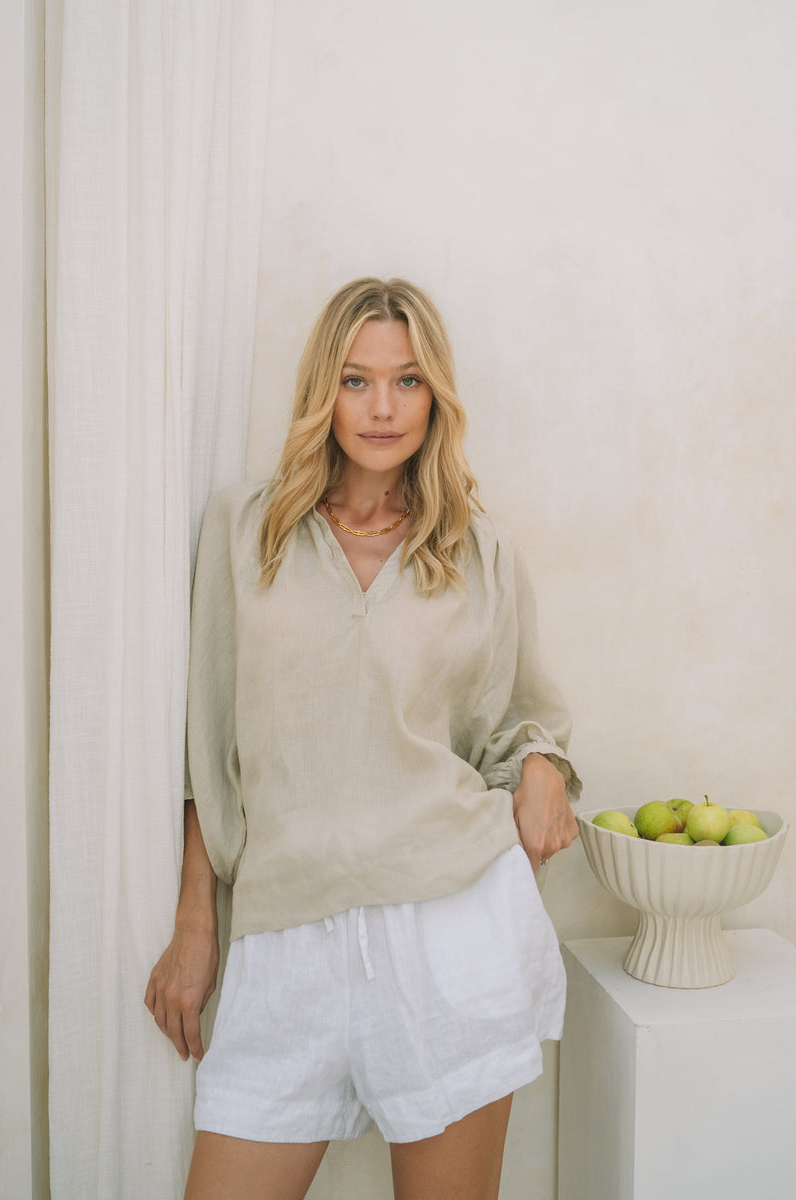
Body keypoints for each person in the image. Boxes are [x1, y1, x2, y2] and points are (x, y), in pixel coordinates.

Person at [145, 277, 581, 1200]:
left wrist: (544, 764)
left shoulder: (479, 553)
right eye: (356, 380)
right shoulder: (244, 530)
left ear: (436, 396)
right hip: (286, 933)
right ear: (324, 391)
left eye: (407, 380)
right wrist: (196, 923)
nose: (383, 407)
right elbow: (208, 743)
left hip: (448, 922)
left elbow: (516, 719)